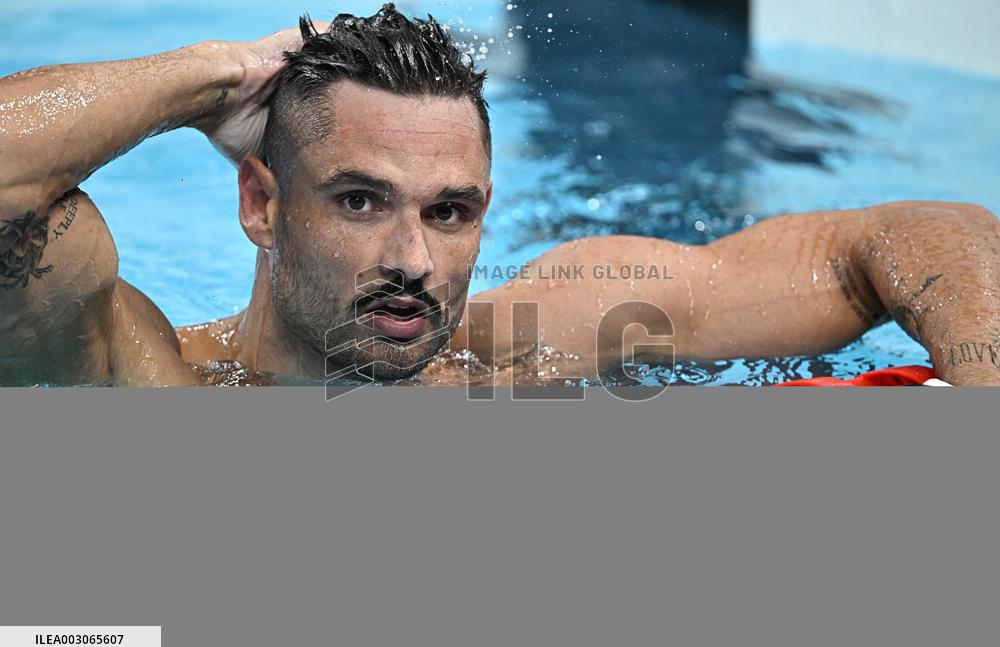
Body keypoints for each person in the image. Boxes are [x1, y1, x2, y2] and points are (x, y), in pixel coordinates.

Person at [1, 5, 998, 387]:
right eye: (358, 201)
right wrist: (211, 80)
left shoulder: (531, 335)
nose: (414, 259)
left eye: (449, 210)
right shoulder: (139, 377)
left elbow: (928, 233)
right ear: (258, 202)